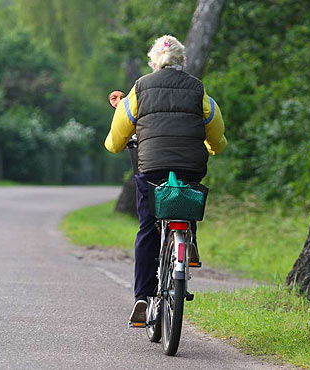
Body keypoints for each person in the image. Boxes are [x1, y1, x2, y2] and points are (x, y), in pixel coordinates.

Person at [104, 35, 227, 324]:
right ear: (182, 62)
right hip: (190, 166)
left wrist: (117, 144)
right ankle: (189, 241)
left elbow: (116, 137)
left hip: (152, 167)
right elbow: (217, 137)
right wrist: (211, 146)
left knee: (147, 227)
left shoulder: (139, 90)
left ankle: (142, 298)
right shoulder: (199, 91)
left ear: (153, 62)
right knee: (187, 193)